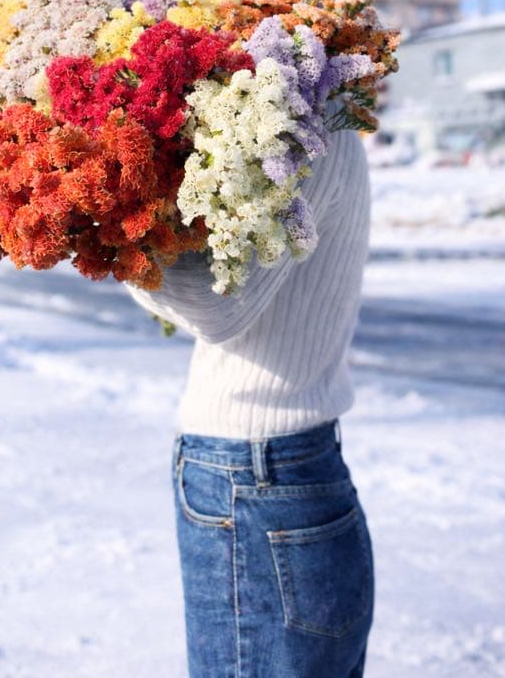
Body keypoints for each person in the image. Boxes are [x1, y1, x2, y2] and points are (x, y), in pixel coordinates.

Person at [126, 126, 374, 678]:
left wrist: (113, 231)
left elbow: (219, 308)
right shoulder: (313, 118)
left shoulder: (302, 125)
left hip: (255, 479)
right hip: (277, 474)